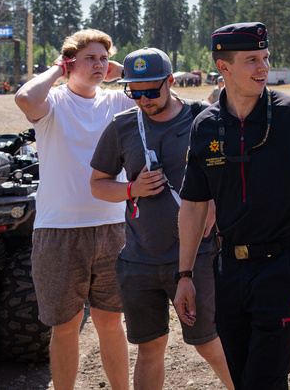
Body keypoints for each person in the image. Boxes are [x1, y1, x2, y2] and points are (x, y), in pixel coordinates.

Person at [173, 22, 290, 390]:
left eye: (265, 57)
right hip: (229, 268)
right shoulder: (205, 126)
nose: (264, 67)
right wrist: (184, 276)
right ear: (224, 67)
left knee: (265, 379)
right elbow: (194, 205)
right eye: (252, 60)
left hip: (283, 266)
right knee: (241, 376)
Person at [89, 47, 232, 390]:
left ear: (170, 81)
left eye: (151, 92)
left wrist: (216, 198)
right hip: (140, 258)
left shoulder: (204, 118)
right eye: (134, 92)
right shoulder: (123, 126)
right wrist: (131, 189)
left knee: (209, 343)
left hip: (197, 255)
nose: (143, 100)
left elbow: (234, 173)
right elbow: (97, 185)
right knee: (149, 347)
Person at [14, 29, 134, 390]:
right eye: (90, 58)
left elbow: (165, 97)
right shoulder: (53, 102)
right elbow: (24, 98)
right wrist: (57, 69)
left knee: (110, 323)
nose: (99, 64)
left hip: (113, 226)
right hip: (58, 230)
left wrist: (121, 71)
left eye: (104, 58)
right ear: (69, 62)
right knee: (65, 326)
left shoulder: (118, 101)